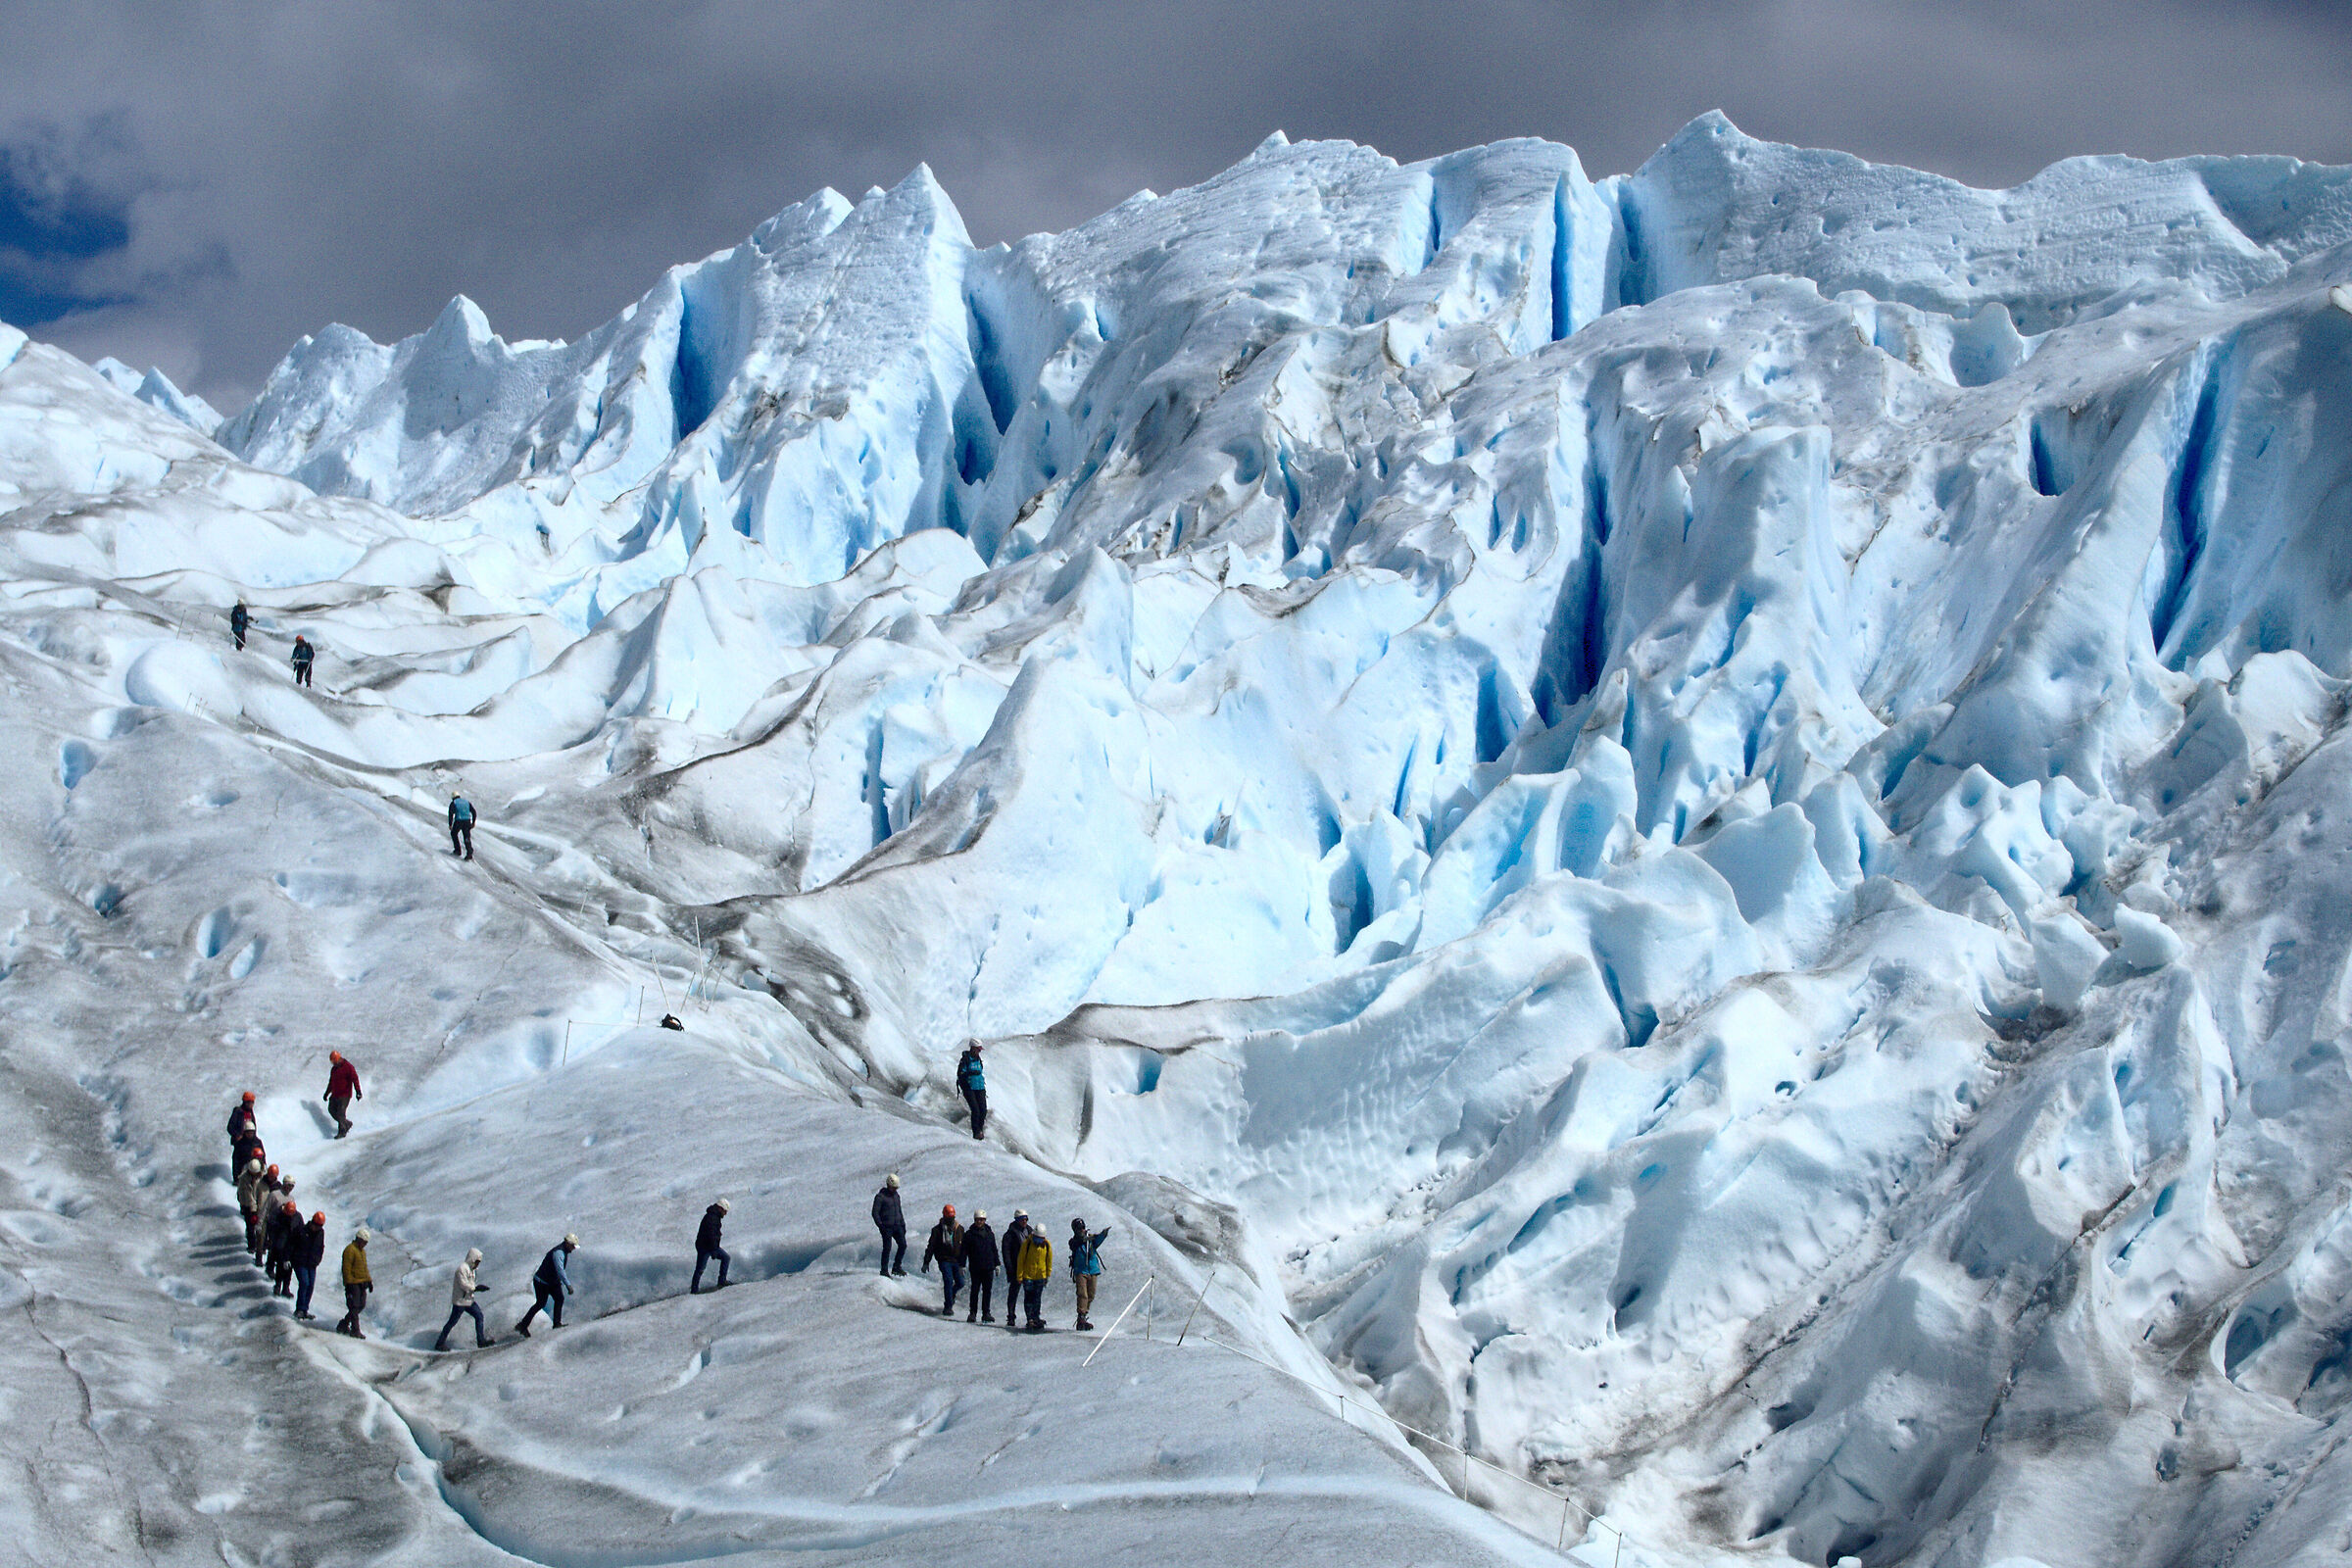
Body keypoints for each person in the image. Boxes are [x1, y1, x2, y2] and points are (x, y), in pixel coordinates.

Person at [514, 1235, 576, 1336]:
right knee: (541, 1303)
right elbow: (560, 1270)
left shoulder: (563, 1251)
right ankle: (523, 1325)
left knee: (559, 1298)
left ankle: (556, 1323)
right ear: (567, 1244)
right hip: (542, 1282)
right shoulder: (559, 1253)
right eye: (573, 1246)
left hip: (551, 1282)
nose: (573, 1249)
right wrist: (568, 1284)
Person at [436, 1249, 492, 1350]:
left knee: (479, 1316)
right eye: (477, 1262)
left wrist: (475, 1288)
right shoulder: (462, 1269)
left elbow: (470, 1284)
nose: (477, 1265)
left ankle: (481, 1341)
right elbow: (464, 1285)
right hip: (460, 1302)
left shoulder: (472, 1270)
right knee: (452, 1322)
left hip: (468, 1300)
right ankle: (439, 1344)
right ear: (472, 1259)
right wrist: (476, 1288)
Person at [1068, 1218, 1112, 1331]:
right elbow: (1074, 1245)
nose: (1082, 1230)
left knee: (1091, 1294)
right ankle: (1081, 1316)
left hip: (1092, 1270)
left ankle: (1084, 1315)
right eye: (1079, 1229)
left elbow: (1097, 1241)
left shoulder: (1090, 1240)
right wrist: (1084, 1239)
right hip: (1081, 1270)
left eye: (1082, 1228)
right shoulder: (1074, 1241)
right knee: (1083, 1294)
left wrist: (1102, 1235)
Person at [923, 1205, 965, 1317]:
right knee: (948, 1280)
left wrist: (964, 1261)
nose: (950, 1219)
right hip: (944, 1260)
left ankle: (951, 1295)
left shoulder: (960, 1229)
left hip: (956, 1260)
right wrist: (926, 1261)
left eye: (952, 1217)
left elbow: (964, 1246)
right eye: (948, 1217)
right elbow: (931, 1246)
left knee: (961, 1282)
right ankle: (948, 1306)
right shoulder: (937, 1230)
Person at [961, 1209, 999, 1324]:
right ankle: (973, 1313)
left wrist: (997, 1263)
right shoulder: (969, 1234)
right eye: (978, 1220)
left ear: (985, 1220)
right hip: (976, 1267)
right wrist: (962, 1265)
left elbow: (994, 1249)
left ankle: (986, 1313)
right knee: (975, 1290)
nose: (979, 1222)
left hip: (988, 1267)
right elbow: (964, 1251)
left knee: (987, 1291)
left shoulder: (989, 1233)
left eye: (981, 1220)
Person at [999, 1210, 1032, 1332]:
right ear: (1016, 1220)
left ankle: (1030, 1317)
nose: (1024, 1222)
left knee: (1030, 1293)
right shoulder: (1010, 1235)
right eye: (1022, 1219)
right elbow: (1006, 1252)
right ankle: (1011, 1316)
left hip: (1028, 1267)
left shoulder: (1030, 1231)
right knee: (1014, 1292)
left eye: (1026, 1219)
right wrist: (1010, 1268)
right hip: (1016, 1267)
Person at [1015, 1225, 1054, 1331]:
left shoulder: (1046, 1245)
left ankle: (1036, 1317)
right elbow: (1021, 1260)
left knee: (1037, 1298)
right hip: (1028, 1276)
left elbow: (1049, 1260)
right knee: (1029, 1298)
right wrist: (1019, 1275)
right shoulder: (1027, 1244)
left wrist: (1047, 1275)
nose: (1039, 1241)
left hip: (1040, 1276)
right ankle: (1030, 1319)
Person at [336, 1227, 372, 1338]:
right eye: (364, 1242)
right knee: (354, 1306)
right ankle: (355, 1330)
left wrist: (369, 1281)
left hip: (362, 1283)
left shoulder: (362, 1252)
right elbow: (346, 1268)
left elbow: (364, 1268)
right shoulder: (350, 1250)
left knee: (360, 1306)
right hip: (353, 1283)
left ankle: (344, 1324)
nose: (365, 1244)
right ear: (359, 1239)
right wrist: (348, 1283)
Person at [292, 1210, 325, 1320]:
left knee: (310, 1286)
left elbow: (321, 1247)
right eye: (316, 1225)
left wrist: (318, 1259)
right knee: (304, 1283)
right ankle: (299, 1309)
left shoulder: (321, 1233)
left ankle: (305, 1309)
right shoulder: (302, 1231)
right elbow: (292, 1245)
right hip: (300, 1262)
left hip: (312, 1263)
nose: (317, 1228)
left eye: (319, 1226)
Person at [692, 1199, 730, 1293]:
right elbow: (711, 1235)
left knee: (725, 1258)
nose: (725, 1214)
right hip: (705, 1247)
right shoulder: (712, 1218)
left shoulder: (714, 1216)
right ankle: (694, 1290)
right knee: (700, 1268)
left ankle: (721, 1281)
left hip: (709, 1246)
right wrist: (713, 1251)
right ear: (721, 1208)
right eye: (725, 1211)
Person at [871, 1174, 906, 1277]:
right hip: (886, 1227)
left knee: (903, 1245)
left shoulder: (896, 1196)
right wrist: (881, 1226)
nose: (895, 1189)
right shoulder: (880, 1197)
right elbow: (875, 1213)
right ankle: (884, 1270)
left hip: (898, 1225)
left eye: (896, 1188)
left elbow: (899, 1211)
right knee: (887, 1248)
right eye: (893, 1187)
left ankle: (896, 1267)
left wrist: (903, 1224)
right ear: (888, 1185)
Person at [236, 1157, 270, 1259]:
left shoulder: (263, 1176)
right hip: (248, 1205)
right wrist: (252, 1210)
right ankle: (252, 1245)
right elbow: (248, 1195)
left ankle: (262, 1245)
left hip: (261, 1204)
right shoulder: (244, 1179)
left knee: (263, 1227)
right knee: (250, 1226)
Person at [263, 1199, 297, 1295]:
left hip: (291, 1247)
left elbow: (300, 1230)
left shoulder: (297, 1217)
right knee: (280, 1267)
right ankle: (277, 1285)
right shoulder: (277, 1214)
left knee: (289, 1268)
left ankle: (286, 1288)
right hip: (279, 1245)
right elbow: (271, 1227)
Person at [324, 1052, 362, 1139]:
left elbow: (355, 1079)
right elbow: (331, 1083)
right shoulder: (334, 1069)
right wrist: (326, 1093)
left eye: (333, 1061)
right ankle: (346, 1123)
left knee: (341, 1113)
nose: (333, 1063)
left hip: (345, 1094)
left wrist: (358, 1092)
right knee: (331, 1110)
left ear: (337, 1059)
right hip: (335, 1094)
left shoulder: (348, 1067)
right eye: (332, 1061)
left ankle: (342, 1131)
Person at [956, 1039, 987, 1140]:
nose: (979, 1051)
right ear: (973, 1048)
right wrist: (968, 1080)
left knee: (983, 1110)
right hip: (969, 1088)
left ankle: (980, 1130)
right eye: (978, 1049)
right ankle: (976, 1133)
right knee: (976, 1110)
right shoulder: (966, 1060)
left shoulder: (978, 1059)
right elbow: (960, 1074)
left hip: (980, 1087)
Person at [448, 794, 476, 859]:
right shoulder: (466, 802)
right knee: (467, 837)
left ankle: (458, 850)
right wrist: (473, 822)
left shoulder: (454, 803)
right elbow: (474, 812)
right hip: (467, 821)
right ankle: (469, 853)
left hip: (459, 821)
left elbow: (451, 814)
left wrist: (450, 824)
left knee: (453, 833)